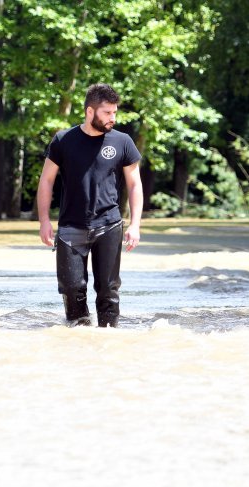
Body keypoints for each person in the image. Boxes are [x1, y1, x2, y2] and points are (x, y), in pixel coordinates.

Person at [37, 83, 144, 327]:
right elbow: (46, 180)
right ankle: (79, 342)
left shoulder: (122, 141)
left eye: (115, 112)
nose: (112, 118)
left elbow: (135, 184)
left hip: (109, 225)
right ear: (89, 111)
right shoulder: (63, 140)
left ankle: (108, 342)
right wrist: (44, 221)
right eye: (107, 113)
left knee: (108, 291)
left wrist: (135, 224)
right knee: (71, 289)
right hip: (70, 228)